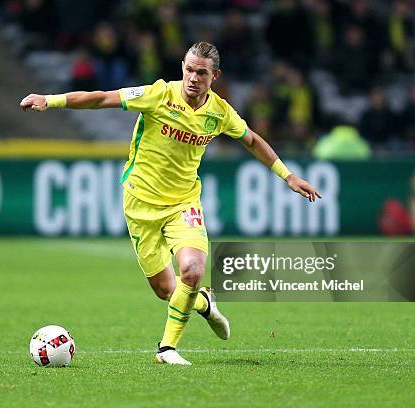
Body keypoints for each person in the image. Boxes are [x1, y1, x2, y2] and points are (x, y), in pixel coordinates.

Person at [20, 42, 321, 365]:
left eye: (201, 73)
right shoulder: (159, 94)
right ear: (182, 67)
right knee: (166, 290)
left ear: (214, 76)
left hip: (183, 203)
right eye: (189, 69)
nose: (193, 77)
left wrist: (287, 176)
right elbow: (102, 98)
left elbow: (251, 140)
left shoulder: (219, 112)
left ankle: (167, 349)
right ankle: (204, 303)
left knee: (191, 270)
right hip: (140, 202)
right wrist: (49, 100)